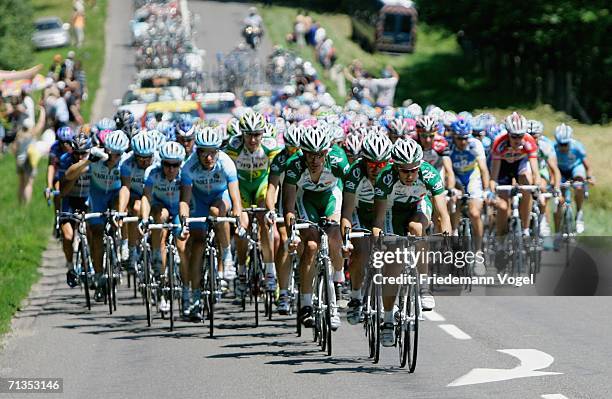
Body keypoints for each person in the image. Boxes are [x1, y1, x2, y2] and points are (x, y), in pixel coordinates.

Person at [371, 138, 451, 346]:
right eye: (404, 170)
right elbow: (379, 218)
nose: (409, 175)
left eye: (413, 170)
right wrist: (378, 239)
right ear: (396, 167)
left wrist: (447, 240)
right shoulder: (385, 177)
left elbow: (442, 214)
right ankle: (388, 320)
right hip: (391, 212)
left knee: (417, 229)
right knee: (393, 269)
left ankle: (424, 287)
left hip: (417, 206)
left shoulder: (430, 174)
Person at [284, 125, 350, 330]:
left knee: (334, 235)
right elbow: (289, 205)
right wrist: (291, 234)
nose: (314, 160)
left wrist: (346, 223)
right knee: (311, 245)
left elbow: (350, 193)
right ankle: (305, 304)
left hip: (331, 196)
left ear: (326, 153)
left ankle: (338, 281)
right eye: (310, 155)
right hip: (307, 201)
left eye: (319, 155)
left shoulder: (338, 160)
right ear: (302, 152)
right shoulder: (294, 165)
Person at [179, 127, 243, 320]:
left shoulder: (226, 163)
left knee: (218, 212)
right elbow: (184, 200)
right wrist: (184, 220)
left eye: (213, 152)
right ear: (197, 152)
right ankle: (195, 296)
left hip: (219, 197)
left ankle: (226, 255)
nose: (208, 158)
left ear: (218, 151)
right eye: (204, 153)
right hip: (198, 200)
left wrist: (238, 217)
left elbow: (235, 196)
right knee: (197, 244)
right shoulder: (188, 167)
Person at [64, 130, 130, 301]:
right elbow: (69, 175)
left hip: (115, 195)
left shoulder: (125, 161)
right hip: (97, 196)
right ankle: (99, 276)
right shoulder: (96, 156)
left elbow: (126, 187)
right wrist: (86, 161)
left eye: (117, 154)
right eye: (110, 152)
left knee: (118, 213)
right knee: (96, 233)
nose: (113, 157)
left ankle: (122, 243)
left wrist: (121, 212)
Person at [225, 112, 281, 297]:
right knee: (242, 228)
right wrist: (233, 204)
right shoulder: (233, 147)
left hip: (261, 187)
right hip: (241, 188)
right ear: (241, 134)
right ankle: (241, 271)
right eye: (248, 134)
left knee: (265, 220)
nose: (253, 139)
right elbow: (227, 175)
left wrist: (272, 207)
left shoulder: (271, 145)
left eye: (257, 134)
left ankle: (270, 271)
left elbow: (276, 177)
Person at [341, 132, 393, 325]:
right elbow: (346, 212)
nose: (376, 169)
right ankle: (355, 297)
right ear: (364, 161)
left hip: (387, 214)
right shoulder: (354, 173)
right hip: (359, 213)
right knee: (360, 252)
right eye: (371, 164)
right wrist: (346, 241)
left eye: (381, 165)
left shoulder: (395, 172)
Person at [140, 141, 188, 313]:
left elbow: (188, 200)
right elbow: (146, 197)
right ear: (161, 163)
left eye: (175, 165)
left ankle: (187, 290)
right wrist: (144, 219)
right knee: (160, 216)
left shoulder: (185, 174)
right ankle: (159, 267)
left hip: (179, 209)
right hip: (160, 207)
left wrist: (185, 222)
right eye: (167, 164)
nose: (171, 169)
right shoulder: (152, 173)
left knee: (182, 247)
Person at [264, 123, 302, 315]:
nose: (293, 152)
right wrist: (271, 210)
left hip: (305, 199)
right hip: (285, 201)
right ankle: (284, 292)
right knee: (285, 239)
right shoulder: (280, 159)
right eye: (290, 148)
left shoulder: (308, 158)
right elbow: (271, 188)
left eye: (297, 148)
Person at [489, 112, 541, 238]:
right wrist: (491, 189)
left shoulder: (529, 141)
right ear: (508, 134)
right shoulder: (499, 143)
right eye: (514, 137)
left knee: (526, 182)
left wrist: (537, 185)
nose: (518, 140)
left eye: (521, 136)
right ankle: (501, 238)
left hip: (520, 165)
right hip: (503, 168)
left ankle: (525, 228)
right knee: (503, 207)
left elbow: (535, 170)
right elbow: (494, 175)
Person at [58, 133, 92, 287]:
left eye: (83, 153)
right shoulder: (65, 160)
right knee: (67, 236)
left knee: (94, 231)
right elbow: (63, 191)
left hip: (87, 198)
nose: (79, 157)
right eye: (76, 153)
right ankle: (70, 267)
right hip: (69, 199)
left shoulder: (94, 160)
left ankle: (92, 264)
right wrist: (76, 172)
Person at [553, 123, 594, 235]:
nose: (563, 147)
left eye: (566, 144)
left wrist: (589, 177)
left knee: (579, 183)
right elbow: (552, 168)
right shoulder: (553, 148)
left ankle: (579, 212)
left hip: (575, 168)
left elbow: (587, 166)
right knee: (558, 202)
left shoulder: (577, 146)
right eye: (561, 144)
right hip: (560, 171)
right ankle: (557, 233)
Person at [15, 106, 46, 204]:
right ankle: (26, 205)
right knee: (29, 184)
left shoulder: (19, 135)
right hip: (28, 160)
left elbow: (14, 149)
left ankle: (20, 203)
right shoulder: (31, 133)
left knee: (21, 183)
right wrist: (42, 111)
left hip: (19, 160)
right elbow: (41, 124)